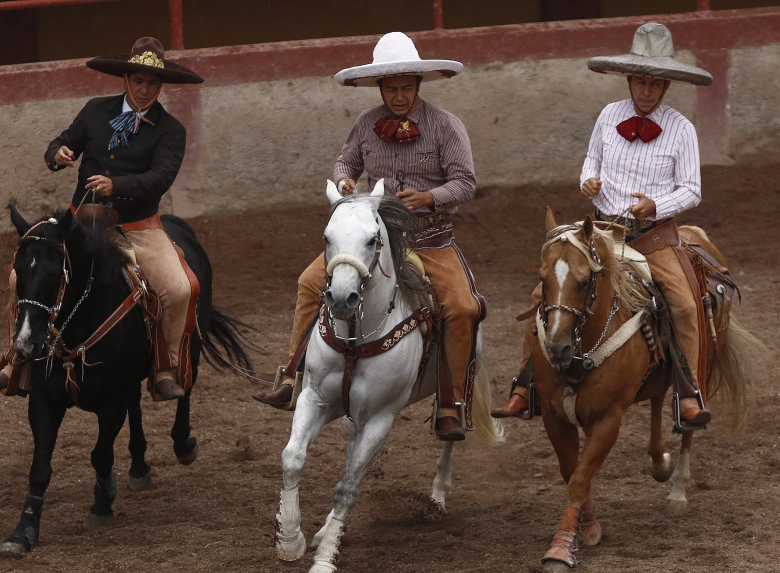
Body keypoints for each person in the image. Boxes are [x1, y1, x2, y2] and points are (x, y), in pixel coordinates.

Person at [253, 31, 485, 442]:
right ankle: (291, 376)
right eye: (391, 88)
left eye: (406, 88)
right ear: (380, 87)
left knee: (463, 308)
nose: (399, 96)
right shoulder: (365, 125)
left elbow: (466, 183)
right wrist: (344, 179)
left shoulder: (447, 126)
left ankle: (451, 403)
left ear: (418, 84)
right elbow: (346, 160)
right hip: (372, 240)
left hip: (430, 240)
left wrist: (431, 197)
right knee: (310, 282)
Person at [493, 22, 714, 430]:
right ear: (629, 80)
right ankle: (524, 386)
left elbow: (692, 191)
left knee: (683, 304)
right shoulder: (609, 115)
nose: (645, 92)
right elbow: (591, 161)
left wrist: (656, 205)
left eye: (654, 84)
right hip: (604, 232)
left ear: (665, 85)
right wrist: (588, 182)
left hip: (653, 238)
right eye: (639, 82)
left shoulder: (682, 129)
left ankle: (688, 394)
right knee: (544, 289)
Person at [0, 37, 203, 401]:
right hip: (77, 224)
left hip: (138, 228)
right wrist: (59, 153)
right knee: (19, 275)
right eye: (138, 81)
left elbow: (160, 178)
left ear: (161, 86)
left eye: (152, 83)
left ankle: (166, 367)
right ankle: (15, 364)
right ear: (125, 80)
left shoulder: (171, 130)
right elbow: (61, 142)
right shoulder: (95, 110)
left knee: (182, 288)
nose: (144, 90)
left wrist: (117, 185)